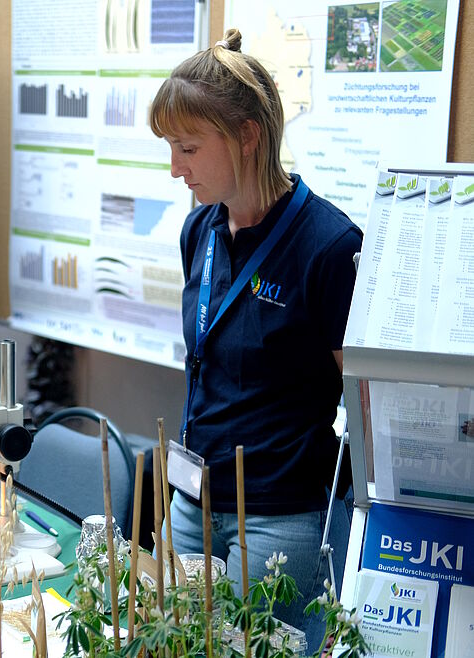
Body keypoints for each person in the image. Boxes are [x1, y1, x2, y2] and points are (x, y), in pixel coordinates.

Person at [148, 29, 362, 647]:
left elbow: (362, 401)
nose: (175, 168)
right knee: (173, 642)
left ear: (248, 136)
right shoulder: (200, 231)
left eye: (188, 147)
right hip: (192, 498)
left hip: (280, 518)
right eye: (170, 148)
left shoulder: (328, 248)